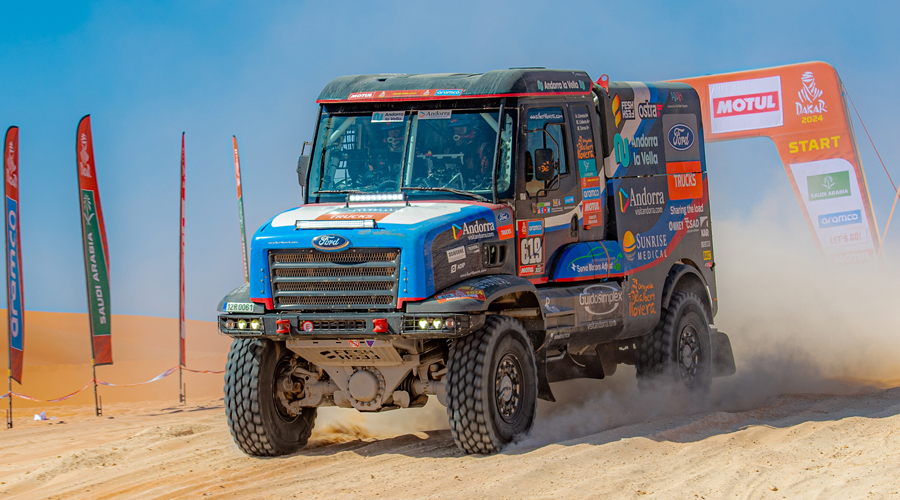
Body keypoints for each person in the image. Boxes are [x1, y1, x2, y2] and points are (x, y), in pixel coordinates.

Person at [443, 116, 493, 190]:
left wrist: (475, 167)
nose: (456, 135)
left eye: (460, 131)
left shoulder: (483, 148)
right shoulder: (449, 149)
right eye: (454, 131)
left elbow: (488, 177)